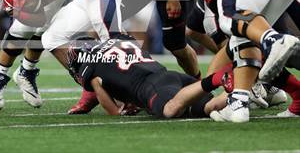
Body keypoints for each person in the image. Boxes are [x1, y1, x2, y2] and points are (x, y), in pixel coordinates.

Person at [67, 34, 229, 119]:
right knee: (210, 108)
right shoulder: (121, 41)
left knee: (170, 110)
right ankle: (243, 90)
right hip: (171, 77)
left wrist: (118, 111)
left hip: (152, 87)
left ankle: (217, 79)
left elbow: (110, 107)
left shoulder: (92, 67)